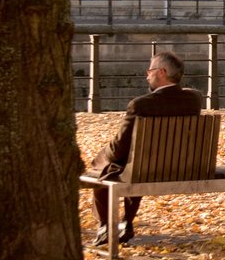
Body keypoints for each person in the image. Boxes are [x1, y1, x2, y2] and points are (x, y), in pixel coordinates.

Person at [85, 51, 203, 247]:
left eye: (150, 70)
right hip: (184, 169)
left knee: (107, 169)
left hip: (144, 169)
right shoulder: (194, 100)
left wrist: (100, 157)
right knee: (137, 164)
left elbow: (119, 148)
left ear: (162, 72)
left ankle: (106, 225)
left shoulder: (140, 105)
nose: (147, 75)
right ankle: (126, 222)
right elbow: (190, 93)